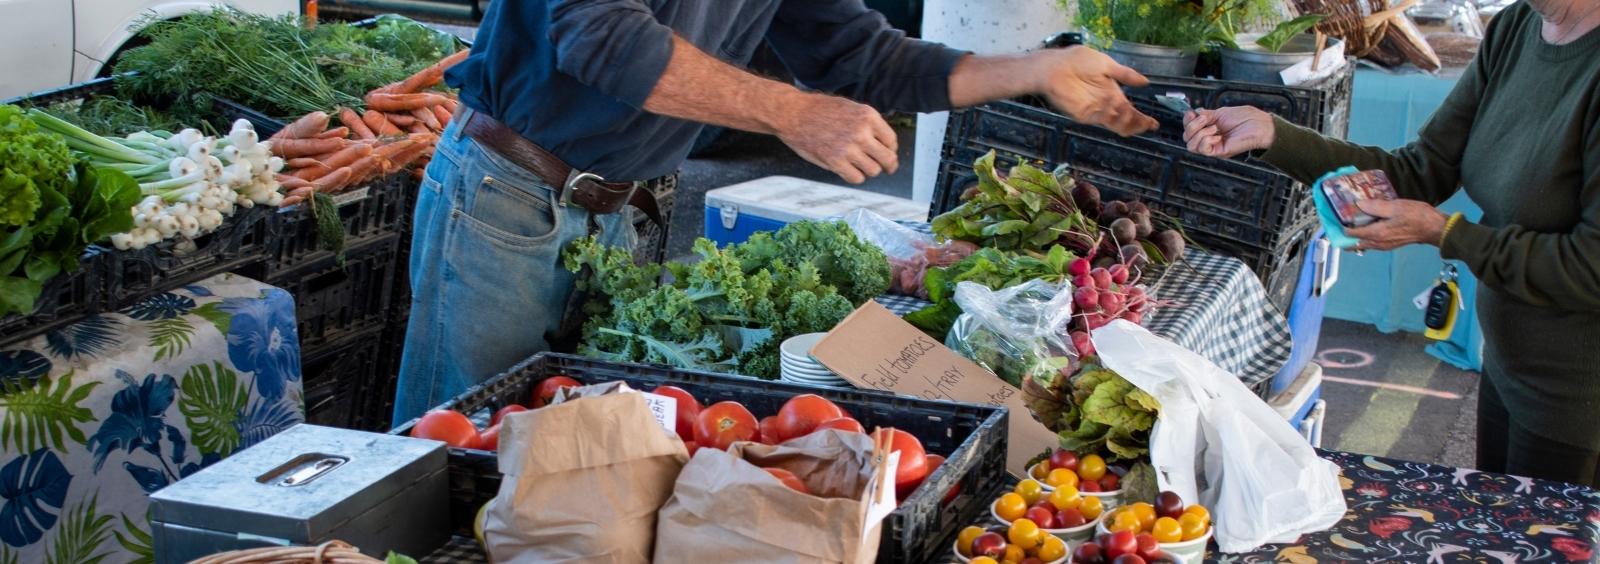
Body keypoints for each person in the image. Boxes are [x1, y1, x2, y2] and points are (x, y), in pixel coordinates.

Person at [393, 0, 1161, 422]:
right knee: (453, 454)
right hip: (513, 200)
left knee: (563, 457)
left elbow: (867, 59)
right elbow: (600, 36)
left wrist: (1039, 68)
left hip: (625, 216)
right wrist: (793, 113)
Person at [1182, 0, 1600, 485]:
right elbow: (1421, 168)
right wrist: (1274, 135)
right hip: (1511, 365)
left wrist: (1444, 232)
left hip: (1578, 399)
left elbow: (1590, 268)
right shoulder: (1517, 27)